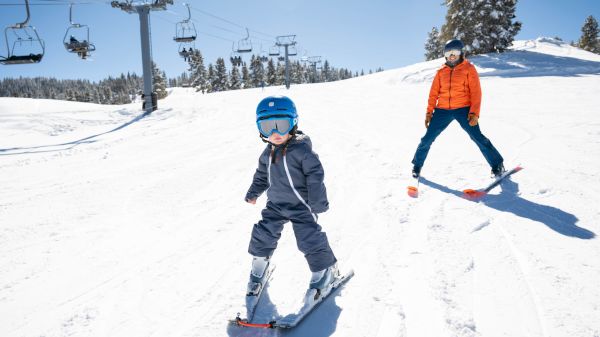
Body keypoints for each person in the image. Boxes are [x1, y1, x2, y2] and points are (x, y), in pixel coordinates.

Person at [245, 96, 339, 296]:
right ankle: (260, 265)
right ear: (260, 129)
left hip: (301, 206)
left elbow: (315, 176)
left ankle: (325, 270)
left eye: (282, 125)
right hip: (276, 205)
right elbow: (262, 176)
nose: (275, 133)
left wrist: (318, 202)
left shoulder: (302, 151)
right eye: (268, 126)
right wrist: (253, 192)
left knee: (308, 238)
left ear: (293, 123)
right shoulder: (266, 154)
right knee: (263, 232)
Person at [411, 39, 505, 178]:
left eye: (455, 52)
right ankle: (417, 166)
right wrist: (429, 112)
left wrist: (474, 113)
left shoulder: (469, 69)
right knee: (427, 139)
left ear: (461, 53)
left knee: (477, 137)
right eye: (449, 53)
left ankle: (497, 164)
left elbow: (476, 92)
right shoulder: (440, 72)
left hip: (463, 109)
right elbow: (433, 94)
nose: (452, 55)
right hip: (442, 110)